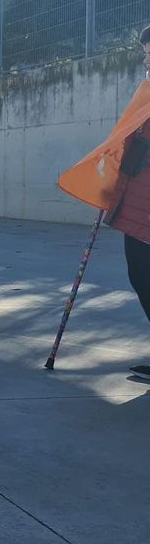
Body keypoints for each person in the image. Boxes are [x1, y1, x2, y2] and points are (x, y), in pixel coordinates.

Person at [117, 27, 150, 378]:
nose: (146, 60)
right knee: (141, 277)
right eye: (145, 53)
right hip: (139, 202)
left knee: (144, 276)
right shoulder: (146, 97)